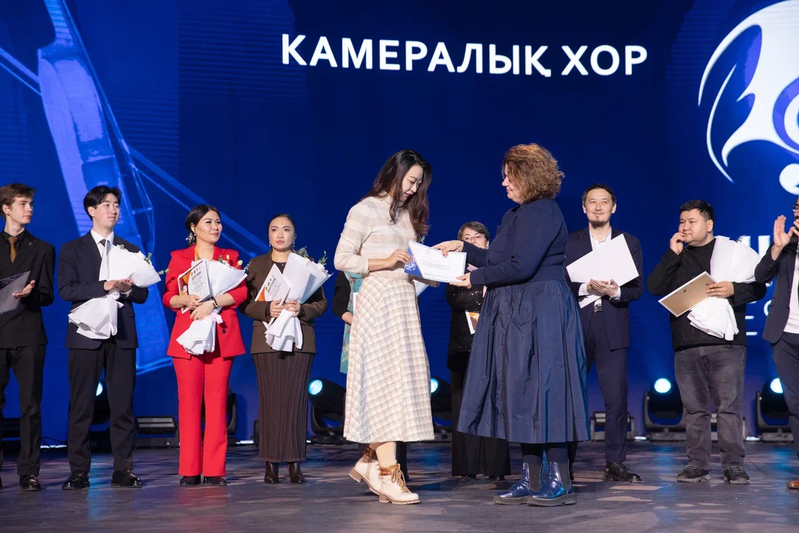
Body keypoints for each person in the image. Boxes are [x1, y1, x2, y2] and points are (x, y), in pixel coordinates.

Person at [435, 143, 589, 507]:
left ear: (528, 176)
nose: (504, 183)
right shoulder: (515, 214)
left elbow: (522, 265)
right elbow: (499, 257)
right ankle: (530, 475)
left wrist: (474, 278)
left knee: (548, 389)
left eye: (509, 176)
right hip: (518, 309)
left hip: (542, 307)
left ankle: (559, 478)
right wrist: (462, 249)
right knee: (521, 390)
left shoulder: (544, 211)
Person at [334, 149, 434, 505]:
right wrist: (384, 260)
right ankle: (388, 474)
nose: (414, 189)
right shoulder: (364, 210)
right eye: (411, 180)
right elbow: (342, 259)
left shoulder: (407, 216)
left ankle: (369, 460)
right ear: (395, 173)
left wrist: (437, 264)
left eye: (419, 184)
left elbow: (412, 268)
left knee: (402, 385)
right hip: (377, 303)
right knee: (382, 385)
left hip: (404, 305)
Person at [647, 200, 766, 484]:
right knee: (694, 409)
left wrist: (733, 289)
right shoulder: (678, 256)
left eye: (692, 221)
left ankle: (733, 464)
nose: (685, 227)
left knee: (728, 407)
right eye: (682, 222)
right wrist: (671, 254)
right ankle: (697, 463)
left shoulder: (731, 252)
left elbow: (759, 287)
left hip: (726, 343)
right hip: (686, 343)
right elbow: (654, 287)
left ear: (709, 224)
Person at [58, 185, 148, 490]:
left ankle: (123, 469)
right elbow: (66, 290)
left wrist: (127, 289)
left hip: (121, 333)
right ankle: (79, 471)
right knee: (81, 404)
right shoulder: (73, 249)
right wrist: (104, 285)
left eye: (116, 205)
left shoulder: (130, 249)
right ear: (91, 210)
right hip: (85, 332)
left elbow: (143, 294)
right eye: (106, 204)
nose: (113, 210)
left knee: (122, 405)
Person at [563, 184, 643, 483]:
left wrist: (616, 291)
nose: (598, 207)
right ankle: (563, 463)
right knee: (570, 397)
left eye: (604, 202)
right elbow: (558, 283)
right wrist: (586, 287)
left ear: (614, 207)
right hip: (576, 327)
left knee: (616, 399)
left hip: (613, 327)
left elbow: (637, 289)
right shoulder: (569, 242)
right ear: (584, 208)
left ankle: (615, 463)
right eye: (592, 202)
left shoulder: (628, 242)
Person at [162, 205, 247, 486]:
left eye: (218, 222)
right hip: (189, 336)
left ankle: (214, 468)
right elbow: (169, 297)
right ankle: (189, 468)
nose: (215, 227)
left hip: (221, 335)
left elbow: (241, 292)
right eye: (208, 222)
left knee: (217, 402)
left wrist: (213, 302)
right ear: (193, 227)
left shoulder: (230, 257)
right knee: (188, 403)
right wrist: (185, 300)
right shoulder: (180, 257)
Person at [240, 214, 327, 484]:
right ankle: (270, 463)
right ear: (268, 236)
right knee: (270, 402)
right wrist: (267, 308)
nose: (280, 234)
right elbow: (244, 304)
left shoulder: (306, 265)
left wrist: (303, 309)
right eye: (274, 229)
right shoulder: (257, 265)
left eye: (286, 229)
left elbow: (321, 304)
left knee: (295, 402)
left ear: (294, 236)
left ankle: (294, 463)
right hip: (266, 339)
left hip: (300, 339)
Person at [445, 221, 511, 481]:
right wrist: (483, 292)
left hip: (495, 344)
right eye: (466, 237)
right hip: (462, 346)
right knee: (463, 404)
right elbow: (456, 299)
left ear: (487, 242)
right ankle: (467, 466)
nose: (472, 241)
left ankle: (496, 467)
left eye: (477, 237)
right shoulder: (453, 268)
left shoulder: (498, 267)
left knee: (496, 404)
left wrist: (478, 289)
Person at [0, 184, 54, 492]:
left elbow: (47, 295)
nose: (29, 208)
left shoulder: (42, 248)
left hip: (29, 334)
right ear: (6, 208)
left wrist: (31, 294)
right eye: (23, 203)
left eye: (31, 203)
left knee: (30, 406)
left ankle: (29, 472)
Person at [331, 271, 410, 480]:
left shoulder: (393, 271)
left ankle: (394, 467)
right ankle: (372, 469)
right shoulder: (349, 271)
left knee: (394, 403)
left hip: (391, 338)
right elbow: (338, 306)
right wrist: (359, 322)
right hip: (360, 338)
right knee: (366, 404)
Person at [754, 202, 799, 490]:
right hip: (785, 335)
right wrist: (776, 248)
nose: (798, 213)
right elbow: (760, 276)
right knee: (796, 406)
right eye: (797, 207)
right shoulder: (787, 244)